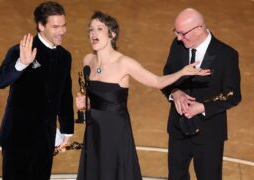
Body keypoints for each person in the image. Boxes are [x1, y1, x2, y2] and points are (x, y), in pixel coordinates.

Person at [75, 11, 210, 180]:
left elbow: (156, 81)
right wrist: (84, 103)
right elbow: (93, 97)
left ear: (112, 34)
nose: (93, 33)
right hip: (94, 129)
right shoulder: (88, 60)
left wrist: (181, 72)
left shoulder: (124, 63)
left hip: (115, 132)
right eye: (91, 29)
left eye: (99, 29)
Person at [0, 1, 74, 179]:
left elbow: (64, 95)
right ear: (41, 26)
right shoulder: (20, 50)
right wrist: (21, 64)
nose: (62, 31)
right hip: (17, 140)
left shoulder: (65, 57)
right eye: (56, 26)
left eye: (64, 25)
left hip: (45, 141)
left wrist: (67, 130)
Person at [161, 8, 241, 180]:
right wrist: (175, 92)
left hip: (209, 134)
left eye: (182, 33)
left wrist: (203, 107)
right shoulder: (177, 46)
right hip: (178, 129)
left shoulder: (227, 55)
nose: (178, 38)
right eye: (176, 32)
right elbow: (167, 75)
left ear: (199, 29)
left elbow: (233, 94)